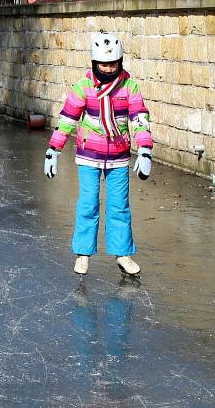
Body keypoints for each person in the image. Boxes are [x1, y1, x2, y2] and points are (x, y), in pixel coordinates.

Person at [43, 32, 153, 277]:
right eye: (104, 64)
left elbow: (139, 119)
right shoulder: (83, 87)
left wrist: (145, 149)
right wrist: (53, 150)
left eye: (113, 63)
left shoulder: (129, 86)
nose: (108, 68)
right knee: (88, 203)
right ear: (94, 63)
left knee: (119, 206)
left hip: (119, 155)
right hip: (89, 154)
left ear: (120, 62)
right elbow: (67, 120)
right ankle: (83, 253)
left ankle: (122, 253)